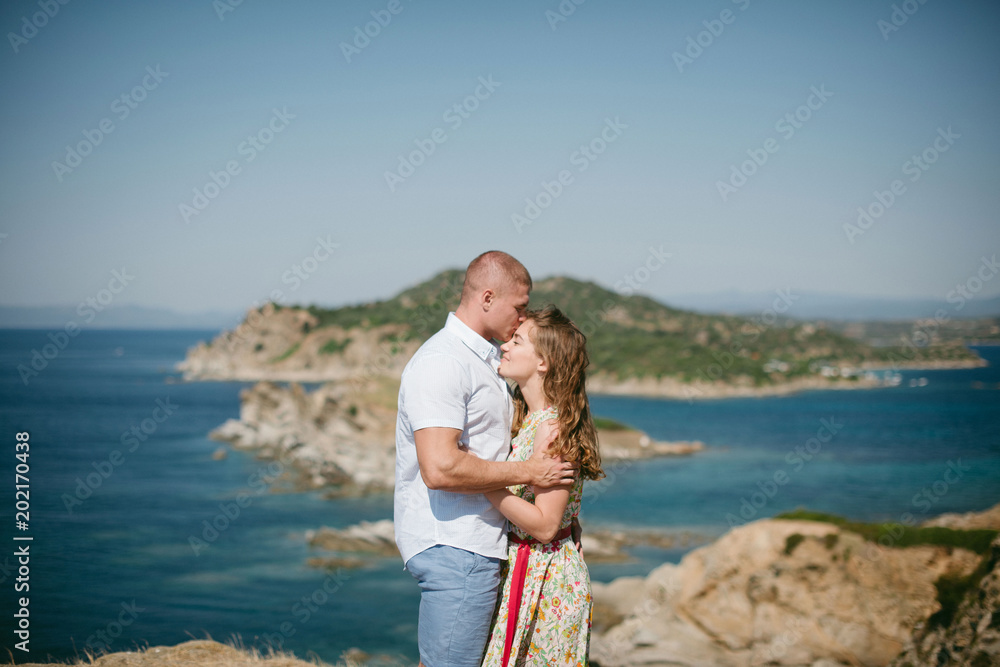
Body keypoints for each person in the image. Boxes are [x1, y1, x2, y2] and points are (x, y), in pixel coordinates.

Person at [394, 251, 578, 667]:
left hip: (481, 546)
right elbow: (439, 468)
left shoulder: (489, 361)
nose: (522, 316)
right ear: (488, 298)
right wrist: (530, 472)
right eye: (519, 306)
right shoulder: (444, 362)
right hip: (459, 544)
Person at [480, 306, 604, 667]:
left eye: (517, 341)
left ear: (543, 363)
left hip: (548, 582)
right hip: (528, 570)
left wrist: (481, 481)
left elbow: (546, 526)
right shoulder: (529, 417)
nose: (505, 345)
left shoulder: (551, 429)